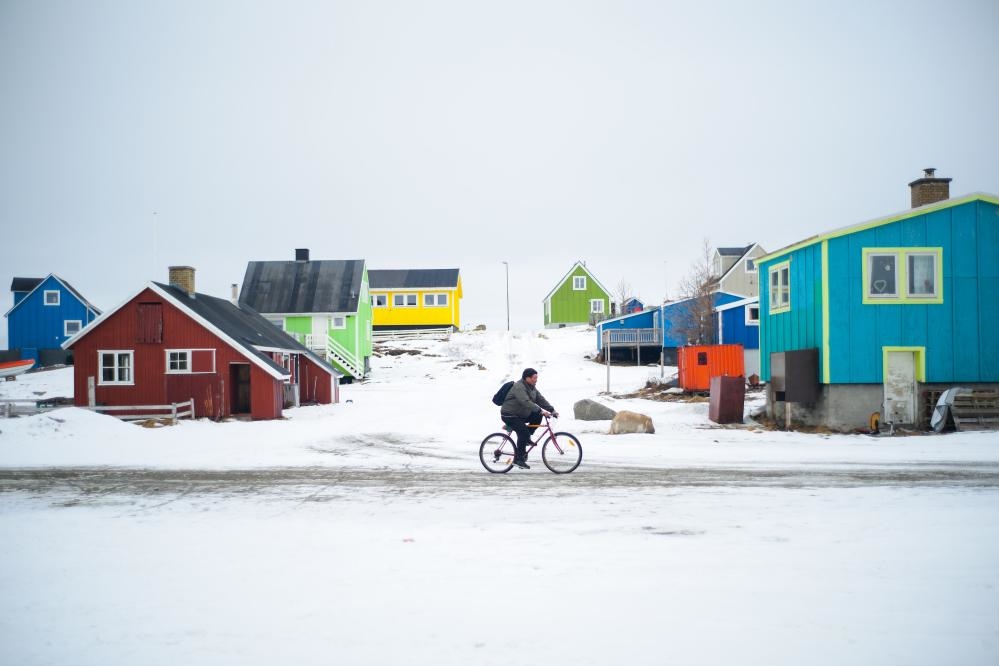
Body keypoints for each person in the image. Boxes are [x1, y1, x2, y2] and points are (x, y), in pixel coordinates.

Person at [500, 367, 558, 469]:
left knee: (537, 416)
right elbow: (525, 401)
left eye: (536, 378)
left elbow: (540, 399)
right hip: (509, 414)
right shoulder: (519, 387)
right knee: (523, 432)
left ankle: (526, 439)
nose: (536, 380)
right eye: (534, 378)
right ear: (527, 378)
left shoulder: (532, 388)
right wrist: (540, 410)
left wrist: (551, 410)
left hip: (520, 414)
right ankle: (518, 460)